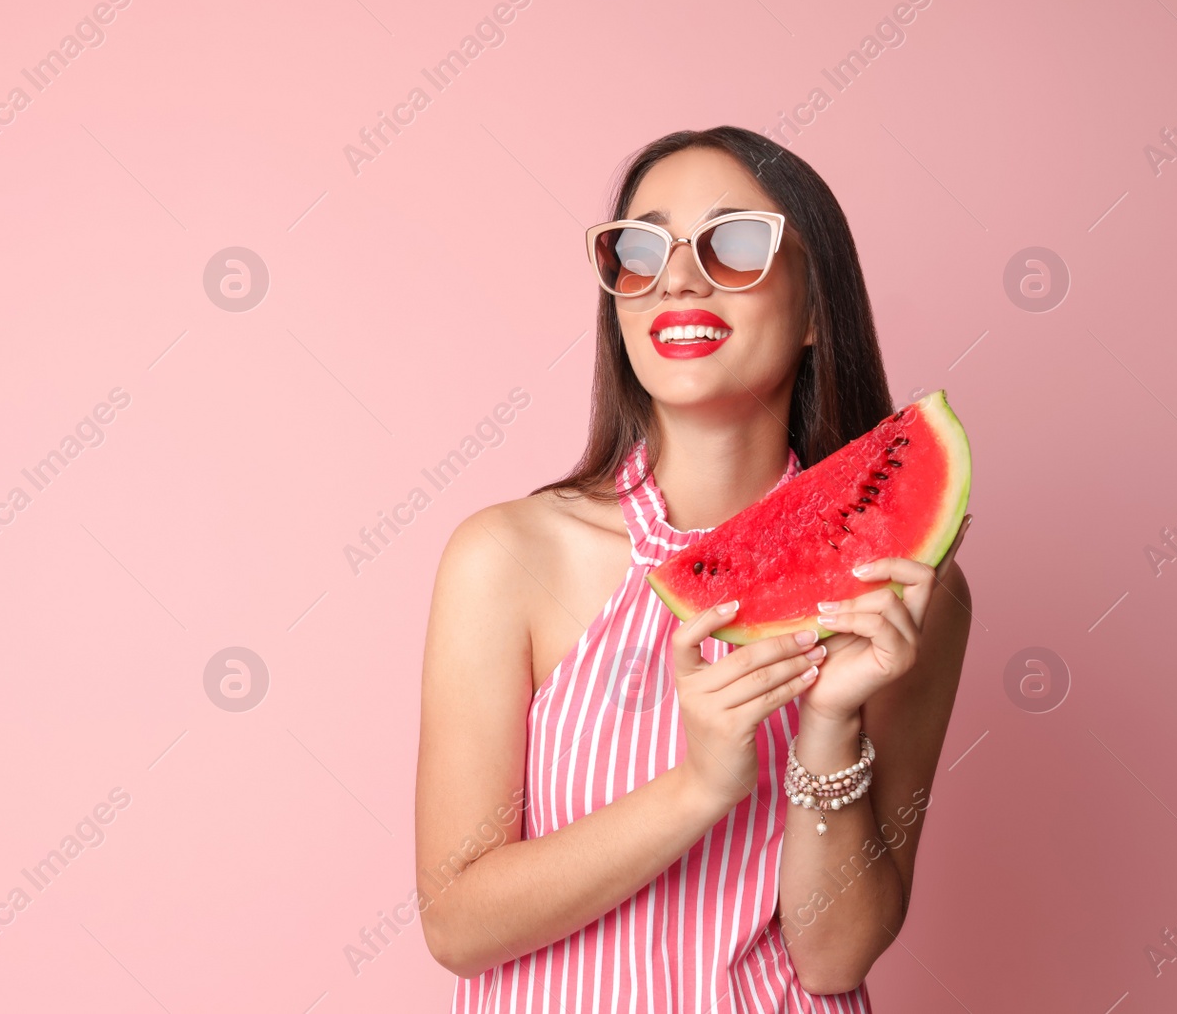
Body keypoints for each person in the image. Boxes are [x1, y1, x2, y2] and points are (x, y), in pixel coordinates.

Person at [413, 126, 973, 1011]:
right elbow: (456, 922)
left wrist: (831, 722)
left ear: (817, 309)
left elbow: (832, 958)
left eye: (737, 242)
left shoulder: (901, 591)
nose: (678, 277)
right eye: (639, 251)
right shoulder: (508, 558)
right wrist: (698, 787)